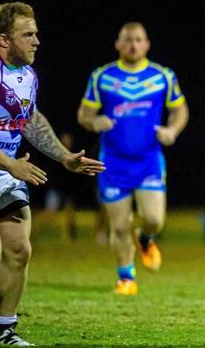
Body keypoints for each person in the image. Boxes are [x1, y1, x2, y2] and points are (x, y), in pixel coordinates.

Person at [0, 2, 105, 345]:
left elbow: (32, 121)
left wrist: (65, 157)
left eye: (36, 33)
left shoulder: (27, 76)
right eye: (29, 34)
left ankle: (3, 331)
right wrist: (11, 164)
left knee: (19, 250)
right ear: (5, 39)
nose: (37, 40)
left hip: (6, 173)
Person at [77, 22, 189, 296]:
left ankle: (146, 238)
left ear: (147, 44)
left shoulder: (162, 76)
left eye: (138, 40)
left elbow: (180, 110)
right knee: (119, 224)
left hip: (148, 161)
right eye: (128, 40)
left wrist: (172, 131)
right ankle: (126, 279)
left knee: (154, 219)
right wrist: (95, 122)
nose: (133, 45)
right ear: (118, 44)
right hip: (113, 163)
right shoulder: (102, 76)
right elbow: (84, 114)